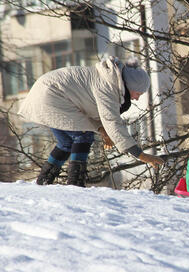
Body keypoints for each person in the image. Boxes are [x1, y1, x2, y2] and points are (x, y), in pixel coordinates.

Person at [18, 56, 164, 187]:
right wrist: (140, 155)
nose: (137, 98)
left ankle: (43, 181)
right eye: (138, 93)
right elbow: (112, 122)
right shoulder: (108, 87)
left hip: (47, 93)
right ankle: (75, 184)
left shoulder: (109, 78)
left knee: (67, 143)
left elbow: (90, 114)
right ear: (130, 85)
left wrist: (103, 131)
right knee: (83, 136)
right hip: (52, 96)